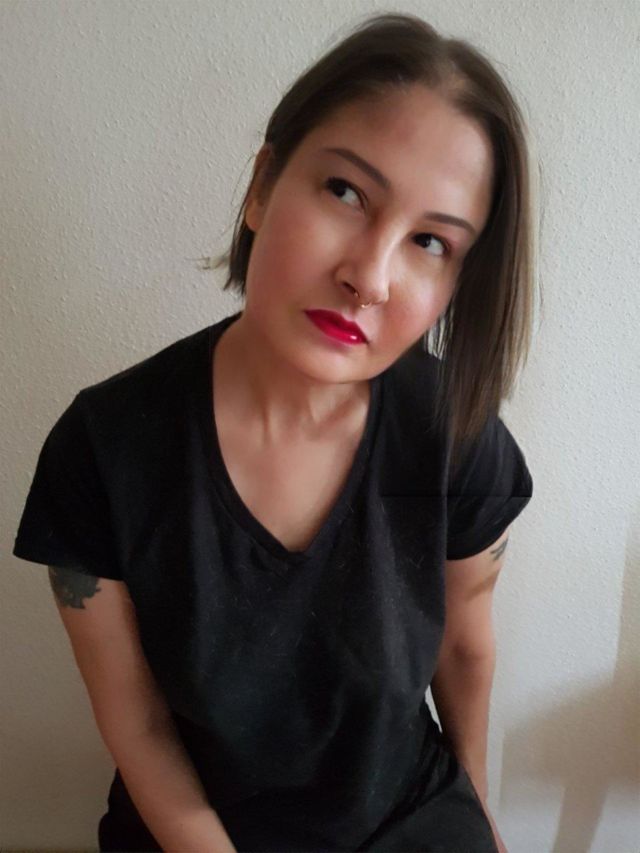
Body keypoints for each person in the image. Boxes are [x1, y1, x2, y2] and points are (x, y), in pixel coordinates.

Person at [13, 11, 537, 853]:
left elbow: (465, 650)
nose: (369, 276)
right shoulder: (102, 450)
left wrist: (476, 814)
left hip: (405, 818)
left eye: (430, 241)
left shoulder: (455, 435)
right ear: (262, 184)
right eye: (345, 192)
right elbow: (138, 724)